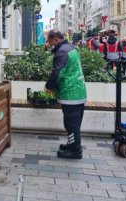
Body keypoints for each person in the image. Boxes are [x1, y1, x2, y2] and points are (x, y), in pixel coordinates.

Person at [44, 29, 87, 159]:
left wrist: (49, 86)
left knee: (71, 123)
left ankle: (75, 151)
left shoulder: (62, 52)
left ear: (56, 39)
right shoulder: (70, 48)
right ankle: (71, 144)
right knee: (74, 123)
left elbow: (57, 72)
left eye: (50, 41)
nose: (49, 44)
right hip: (78, 91)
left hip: (71, 94)